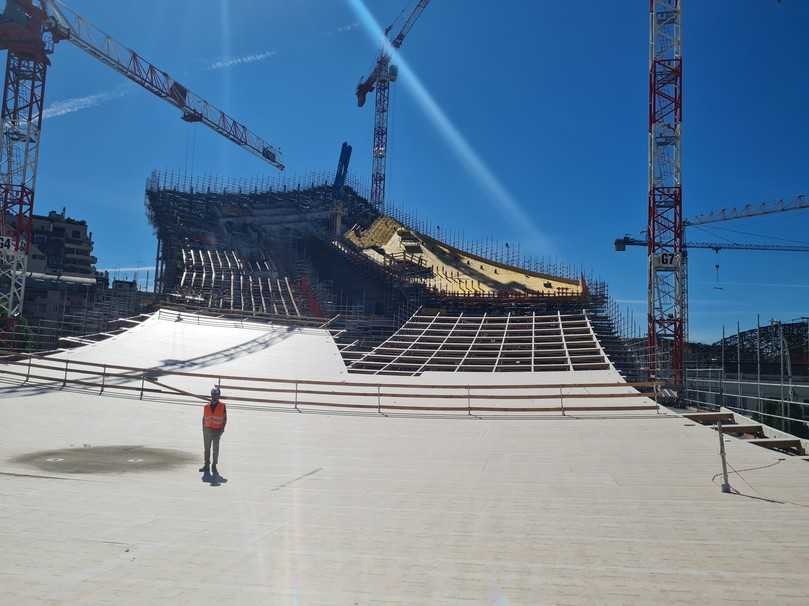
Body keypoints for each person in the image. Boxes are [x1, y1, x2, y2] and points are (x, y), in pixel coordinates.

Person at [199, 386, 226, 478]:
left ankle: (214, 465)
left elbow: (224, 419)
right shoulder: (206, 406)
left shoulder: (222, 406)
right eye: (213, 395)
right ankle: (206, 465)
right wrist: (203, 429)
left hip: (217, 431)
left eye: (216, 395)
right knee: (207, 449)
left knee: (215, 449)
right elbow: (203, 418)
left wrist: (222, 430)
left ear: (219, 396)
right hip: (207, 431)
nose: (214, 396)